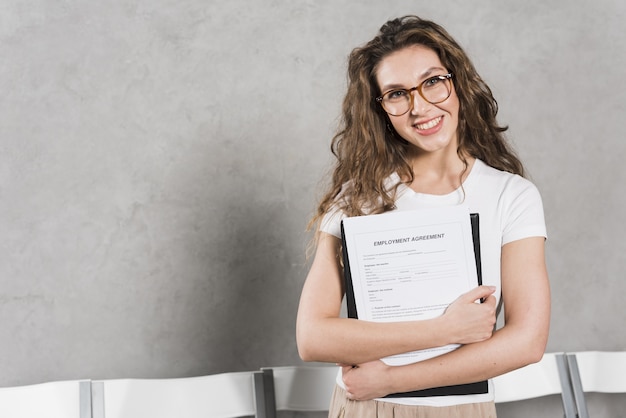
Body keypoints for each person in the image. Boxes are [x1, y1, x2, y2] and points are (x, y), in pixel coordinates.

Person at [295, 15, 550, 418]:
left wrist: (394, 379)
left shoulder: (511, 196)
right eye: (397, 94)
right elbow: (312, 337)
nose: (420, 107)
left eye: (432, 81)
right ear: (380, 110)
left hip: (462, 409)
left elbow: (527, 341)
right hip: (366, 408)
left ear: (457, 81)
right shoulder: (358, 197)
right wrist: (445, 330)